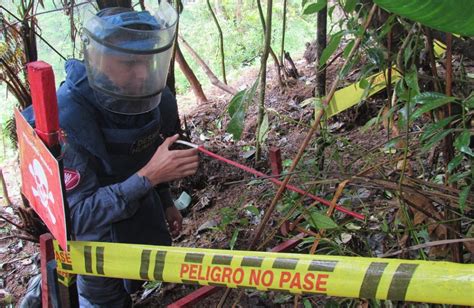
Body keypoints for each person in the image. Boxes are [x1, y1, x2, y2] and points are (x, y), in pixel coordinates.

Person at [24, 2, 199, 307]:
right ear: (100, 62)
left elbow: (147, 154)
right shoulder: (69, 121)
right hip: (94, 236)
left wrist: (166, 199)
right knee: (104, 296)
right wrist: (148, 177)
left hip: (138, 211)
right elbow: (78, 217)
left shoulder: (159, 101)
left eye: (148, 60)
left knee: (137, 275)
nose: (143, 72)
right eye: (129, 62)